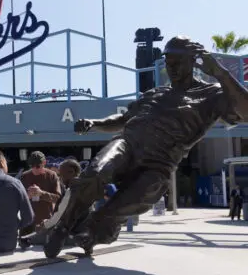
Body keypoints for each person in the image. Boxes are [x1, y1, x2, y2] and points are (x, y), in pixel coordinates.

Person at [44, 36, 248, 259]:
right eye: (168, 62)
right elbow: (123, 119)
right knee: (96, 172)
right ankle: (63, 227)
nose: (172, 68)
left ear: (194, 61)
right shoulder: (154, 93)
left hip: (159, 163)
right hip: (128, 144)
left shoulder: (213, 94)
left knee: (125, 203)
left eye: (177, 62)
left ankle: (93, 232)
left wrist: (220, 72)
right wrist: (95, 124)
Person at [20, 151, 61, 241]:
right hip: (28, 223)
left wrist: (41, 193)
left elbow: (58, 199)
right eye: (32, 166)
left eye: (38, 166)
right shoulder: (25, 176)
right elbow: (19, 200)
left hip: (45, 222)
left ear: (44, 163)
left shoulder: (51, 176)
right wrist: (28, 196)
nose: (35, 169)